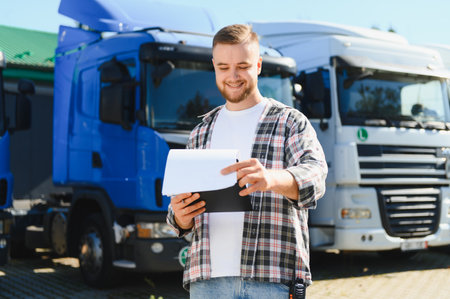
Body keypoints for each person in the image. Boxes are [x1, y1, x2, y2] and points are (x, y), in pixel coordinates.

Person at [167, 24, 327, 298]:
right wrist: (179, 218)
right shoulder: (200, 132)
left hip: (272, 278)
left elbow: (316, 177)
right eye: (223, 67)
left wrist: (272, 178)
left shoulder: (289, 122)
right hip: (207, 282)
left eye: (242, 65)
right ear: (214, 66)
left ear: (259, 65)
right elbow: (179, 212)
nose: (232, 76)